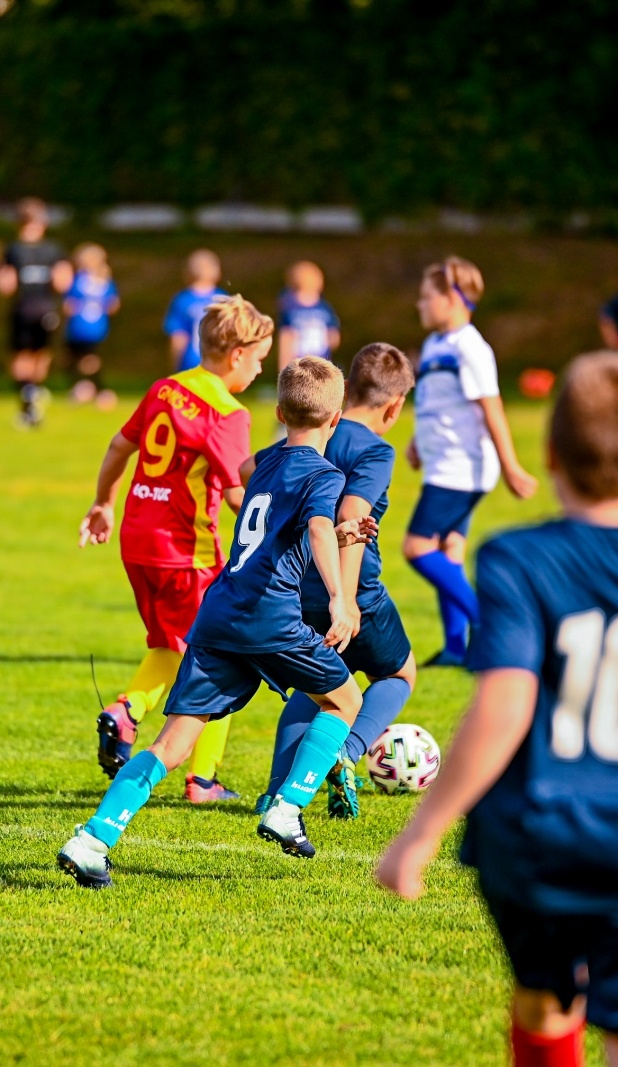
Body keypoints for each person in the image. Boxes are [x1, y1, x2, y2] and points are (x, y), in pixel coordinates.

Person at [376, 352, 618, 1067]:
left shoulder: (517, 557)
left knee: (544, 997)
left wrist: (422, 832)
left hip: (532, 837)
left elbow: (505, 701)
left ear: (548, 454)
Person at [60, 357, 376, 888]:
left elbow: (264, 503)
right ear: (337, 419)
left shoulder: (265, 461)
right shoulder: (326, 475)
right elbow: (319, 526)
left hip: (220, 610)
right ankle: (287, 809)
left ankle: (92, 841)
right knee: (345, 700)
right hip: (269, 615)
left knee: (172, 745)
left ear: (279, 413)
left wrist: (328, 534)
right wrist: (341, 598)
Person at [79, 296, 270, 804]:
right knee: (223, 653)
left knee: (172, 645)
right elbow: (237, 494)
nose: (260, 369)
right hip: (187, 551)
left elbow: (119, 446)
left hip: (137, 540)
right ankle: (193, 771)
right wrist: (284, 525)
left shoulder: (166, 388)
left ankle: (134, 718)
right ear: (237, 355)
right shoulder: (226, 413)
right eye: (259, 359)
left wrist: (103, 503)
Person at [250, 343, 417, 821]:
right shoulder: (375, 449)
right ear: (394, 406)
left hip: (295, 585)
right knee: (399, 673)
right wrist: (345, 598)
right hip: (351, 587)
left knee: (316, 684)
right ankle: (345, 751)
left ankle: (275, 791)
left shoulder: (309, 429)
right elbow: (353, 515)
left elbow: (247, 473)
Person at [404, 256, 538, 668]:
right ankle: (455, 648)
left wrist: (511, 465)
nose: (420, 304)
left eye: (426, 297)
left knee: (416, 547)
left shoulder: (471, 348)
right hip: (442, 463)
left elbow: (491, 408)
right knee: (450, 549)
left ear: (451, 298)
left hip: (460, 468)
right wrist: (417, 441)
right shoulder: (435, 345)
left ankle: (491, 623)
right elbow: (439, 403)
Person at [0, 198, 71, 428]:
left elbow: (5, 286)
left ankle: (27, 398)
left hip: (23, 308)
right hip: (45, 308)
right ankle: (35, 393)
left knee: (21, 356)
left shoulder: (13, 250)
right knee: (41, 355)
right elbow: (64, 282)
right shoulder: (54, 250)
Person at [63, 242, 121, 408]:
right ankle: (91, 388)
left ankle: (96, 389)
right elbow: (114, 304)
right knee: (86, 358)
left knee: (84, 359)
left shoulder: (80, 280)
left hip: (82, 327)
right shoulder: (105, 282)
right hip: (97, 327)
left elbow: (68, 305)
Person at [163, 249, 226, 372]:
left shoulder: (182, 300)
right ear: (217, 272)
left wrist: (174, 366)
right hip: (218, 361)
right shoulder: (223, 299)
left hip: (191, 361)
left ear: (188, 273)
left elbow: (178, 337)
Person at [276, 260, 341, 372]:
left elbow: (333, 335)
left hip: (321, 361)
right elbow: (286, 337)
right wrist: (284, 364)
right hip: (298, 363)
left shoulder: (324, 307)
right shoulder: (290, 307)